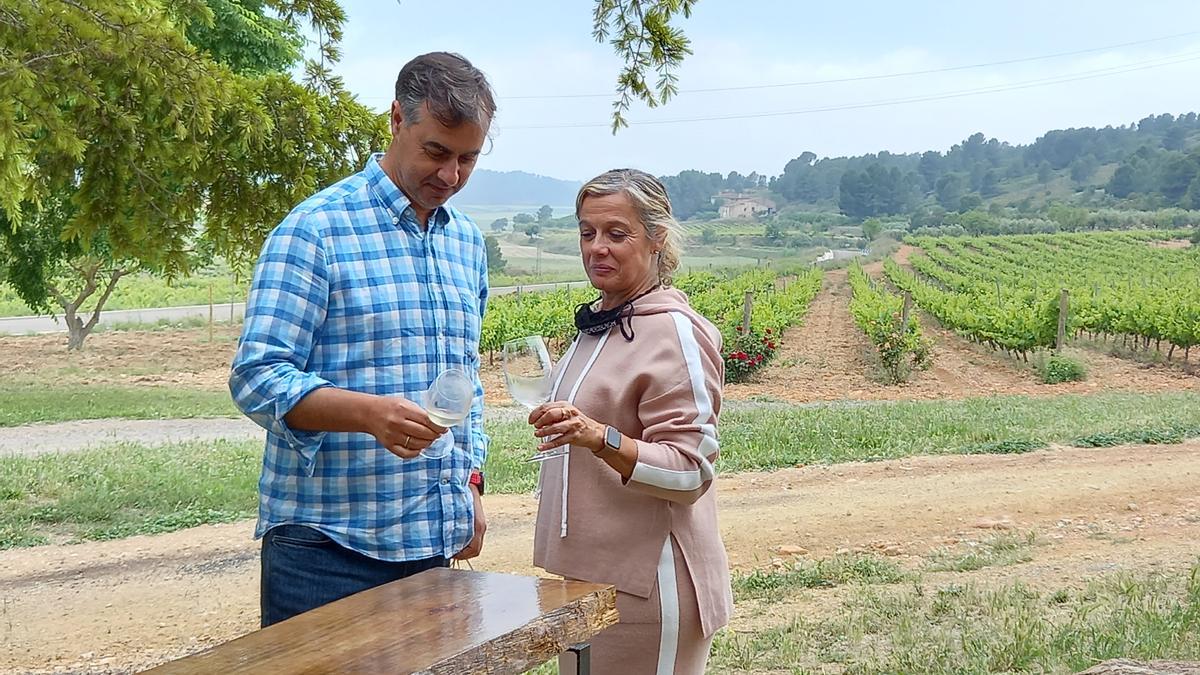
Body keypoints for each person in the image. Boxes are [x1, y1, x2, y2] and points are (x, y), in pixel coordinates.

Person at [228, 52, 495, 628]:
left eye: (468, 159)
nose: (451, 176)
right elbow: (256, 376)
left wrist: (471, 483)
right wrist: (367, 414)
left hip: (431, 548)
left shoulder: (467, 244)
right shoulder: (315, 229)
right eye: (436, 152)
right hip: (325, 554)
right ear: (397, 119)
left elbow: (463, 384)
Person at [528, 169, 733, 674]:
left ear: (657, 238)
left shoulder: (672, 332)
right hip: (582, 580)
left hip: (647, 586)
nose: (598, 247)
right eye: (587, 232)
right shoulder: (599, 324)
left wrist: (599, 437)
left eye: (617, 234)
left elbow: (690, 471)